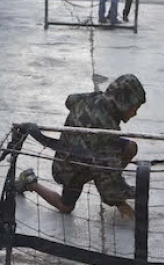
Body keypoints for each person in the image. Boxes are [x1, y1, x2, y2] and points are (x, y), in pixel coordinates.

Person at [16, 75, 147, 219]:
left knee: (129, 147)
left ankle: (110, 176)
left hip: (81, 154)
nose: (135, 113)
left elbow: (70, 100)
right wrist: (119, 200)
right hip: (68, 169)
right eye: (133, 108)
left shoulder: (95, 98)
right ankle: (30, 182)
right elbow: (108, 188)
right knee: (66, 207)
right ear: (122, 103)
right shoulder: (107, 130)